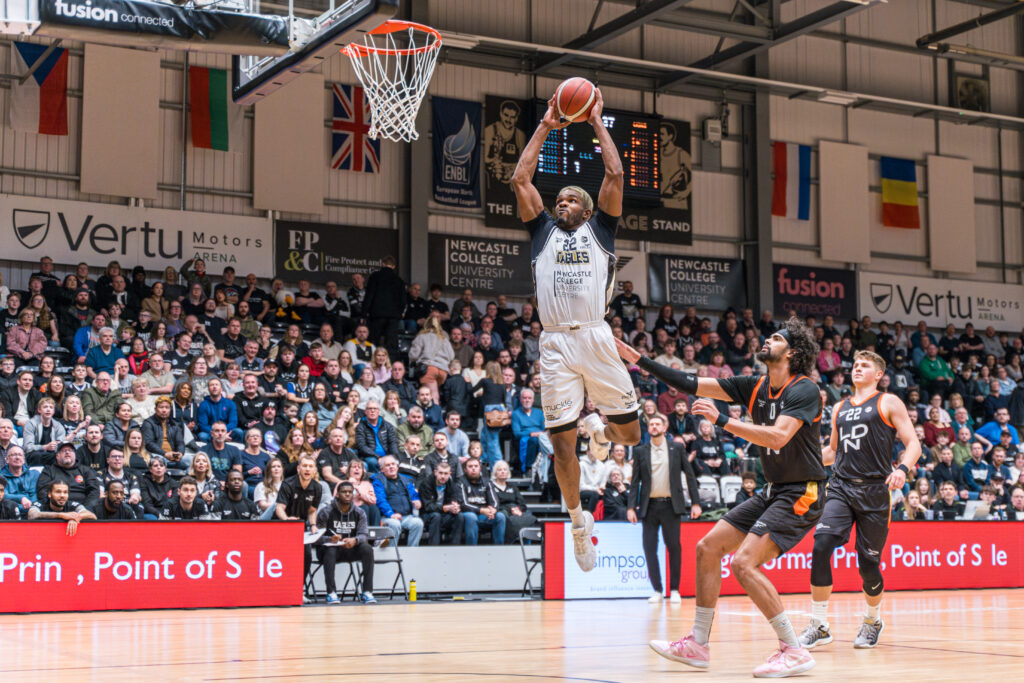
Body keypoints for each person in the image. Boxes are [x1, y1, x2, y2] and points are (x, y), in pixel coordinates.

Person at [620, 318, 825, 676]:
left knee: (743, 564)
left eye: (776, 338)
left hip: (802, 491)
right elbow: (689, 382)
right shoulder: (755, 385)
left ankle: (794, 649)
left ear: (791, 352)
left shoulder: (804, 389)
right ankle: (697, 644)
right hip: (773, 490)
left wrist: (722, 421)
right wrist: (640, 359)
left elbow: (777, 438)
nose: (767, 340)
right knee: (707, 548)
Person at [511, 87, 641, 570]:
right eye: (558, 199)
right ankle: (577, 523)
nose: (561, 202)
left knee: (628, 436)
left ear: (586, 211)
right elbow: (520, 177)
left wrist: (595, 120)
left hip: (594, 334)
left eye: (570, 200)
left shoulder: (600, 229)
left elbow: (615, 173)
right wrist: (547, 122)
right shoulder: (541, 231)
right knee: (562, 445)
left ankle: (599, 428)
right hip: (555, 343)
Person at [797, 351, 922, 651]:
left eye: (864, 366)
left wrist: (903, 469)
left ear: (878, 374)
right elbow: (832, 452)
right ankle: (819, 624)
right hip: (840, 487)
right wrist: (803, 458)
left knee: (868, 564)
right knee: (821, 544)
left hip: (875, 492)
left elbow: (913, 442)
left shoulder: (888, 402)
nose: (857, 369)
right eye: (855, 365)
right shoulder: (839, 406)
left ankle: (872, 619)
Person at [626, 413, 702, 603]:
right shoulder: (640, 451)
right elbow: (635, 482)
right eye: (651, 424)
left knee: (674, 547)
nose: (653, 426)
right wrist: (630, 507)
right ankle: (658, 590)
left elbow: (690, 476)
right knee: (649, 548)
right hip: (649, 506)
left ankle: (674, 589)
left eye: (657, 424)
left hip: (671, 505)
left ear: (664, 428)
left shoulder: (677, 448)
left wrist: (695, 502)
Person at [316, 481, 376, 604]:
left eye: (350, 492)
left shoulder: (359, 512)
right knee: (331, 549)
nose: (347, 494)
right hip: (328, 551)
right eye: (344, 492)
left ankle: (367, 591)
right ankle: (331, 593)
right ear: (337, 494)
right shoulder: (326, 512)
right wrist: (329, 539)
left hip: (349, 549)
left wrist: (355, 540)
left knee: (367, 549)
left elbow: (364, 535)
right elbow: (316, 537)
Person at [372, 455, 424, 546]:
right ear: (382, 469)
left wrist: (417, 500)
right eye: (388, 465)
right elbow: (380, 500)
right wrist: (390, 514)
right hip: (387, 517)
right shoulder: (378, 481)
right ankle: (392, 554)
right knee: (395, 524)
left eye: (393, 464)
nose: (391, 466)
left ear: (397, 467)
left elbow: (413, 495)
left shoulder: (406, 480)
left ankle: (412, 552)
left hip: (406, 516)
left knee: (418, 523)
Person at [455, 456, 506, 545]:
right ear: (465, 469)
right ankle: (471, 550)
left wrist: (493, 509)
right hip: (468, 513)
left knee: (500, 516)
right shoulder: (460, 482)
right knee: (471, 517)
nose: (473, 469)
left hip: (485, 515)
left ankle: (499, 548)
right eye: (470, 467)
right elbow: (463, 504)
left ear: (480, 468)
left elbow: (495, 501)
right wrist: (482, 510)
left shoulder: (487, 482)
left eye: (476, 466)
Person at [36, 442, 101, 510]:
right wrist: (55, 507)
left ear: (75, 455)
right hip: (56, 509)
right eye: (64, 450)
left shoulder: (86, 470)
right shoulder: (48, 470)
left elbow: (94, 492)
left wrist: (85, 509)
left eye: (70, 450)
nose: (67, 452)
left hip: (83, 509)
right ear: (57, 456)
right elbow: (43, 492)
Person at [491, 459, 537, 544]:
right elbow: (493, 504)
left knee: (528, 516)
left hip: (514, 511)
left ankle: (527, 545)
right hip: (501, 512)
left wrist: (518, 509)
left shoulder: (513, 487)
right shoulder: (491, 487)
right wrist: (510, 509)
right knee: (502, 516)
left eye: (505, 470)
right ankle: (502, 545)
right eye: (500, 470)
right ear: (495, 472)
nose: (502, 472)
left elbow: (523, 504)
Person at [418, 460, 463, 545]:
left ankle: (455, 547)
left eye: (446, 474)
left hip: (443, 514)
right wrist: (444, 508)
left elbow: (455, 498)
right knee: (436, 516)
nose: (443, 476)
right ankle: (434, 548)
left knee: (460, 516)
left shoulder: (451, 483)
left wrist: (455, 506)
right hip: (427, 515)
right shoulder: (426, 483)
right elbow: (428, 506)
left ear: (450, 474)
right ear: (435, 472)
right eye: (441, 473)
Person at [28, 480, 96, 533]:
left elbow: (92, 515)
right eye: (58, 492)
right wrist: (61, 515)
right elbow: (32, 515)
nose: (62, 495)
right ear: (49, 494)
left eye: (65, 492)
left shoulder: (72, 505)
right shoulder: (40, 504)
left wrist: (75, 517)